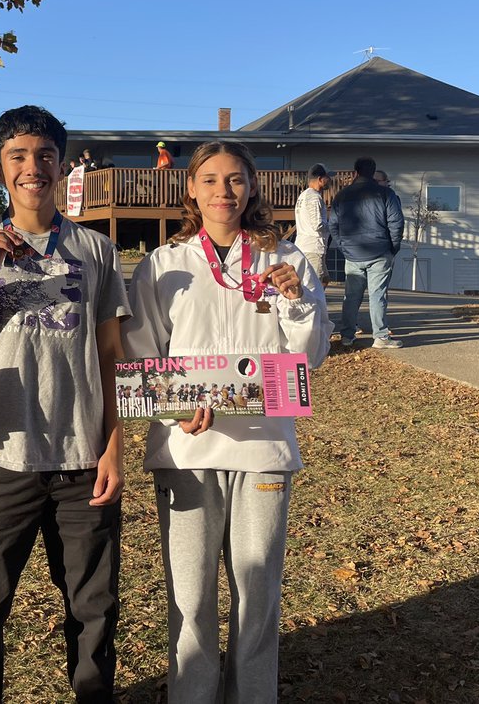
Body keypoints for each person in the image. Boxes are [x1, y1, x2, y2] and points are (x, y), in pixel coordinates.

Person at [0, 105, 128, 703]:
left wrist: (115, 443)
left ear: (62, 165)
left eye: (44, 155)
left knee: (93, 610)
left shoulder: (94, 249)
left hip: (79, 459)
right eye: (17, 156)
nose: (32, 167)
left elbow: (111, 355)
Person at [123, 141, 332, 704]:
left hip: (263, 447)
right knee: (190, 597)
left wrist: (296, 303)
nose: (223, 191)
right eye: (210, 180)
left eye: (235, 179)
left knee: (257, 590)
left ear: (252, 187)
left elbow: (309, 359)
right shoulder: (163, 265)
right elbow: (141, 358)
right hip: (186, 452)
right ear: (190, 188)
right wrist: (172, 406)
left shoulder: (286, 262)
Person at [328, 156, 404, 348]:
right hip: (379, 251)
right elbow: (396, 222)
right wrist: (393, 246)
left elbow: (333, 225)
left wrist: (343, 246)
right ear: (373, 172)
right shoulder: (386, 194)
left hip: (352, 253)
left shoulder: (342, 195)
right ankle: (380, 336)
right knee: (377, 295)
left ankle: (347, 335)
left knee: (351, 296)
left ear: (355, 172)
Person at [294, 163, 332, 286]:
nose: (330, 180)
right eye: (328, 177)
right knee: (314, 285)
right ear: (320, 179)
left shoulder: (303, 195)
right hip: (313, 248)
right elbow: (318, 225)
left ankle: (319, 303)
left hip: (304, 245)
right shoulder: (314, 198)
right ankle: (314, 305)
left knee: (324, 280)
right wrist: (334, 225)